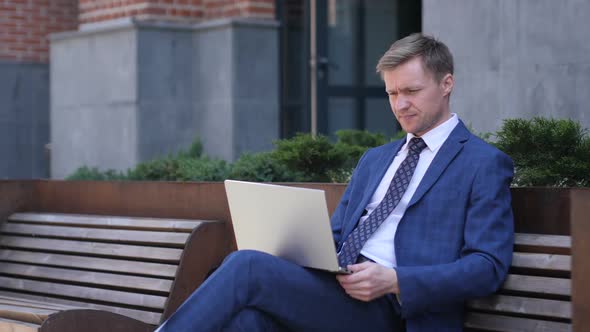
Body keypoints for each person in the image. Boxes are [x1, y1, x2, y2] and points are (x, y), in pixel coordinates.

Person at [155, 33, 514, 332]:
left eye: (411, 91)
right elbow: (338, 235)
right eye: (391, 93)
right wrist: (294, 246)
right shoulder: (376, 160)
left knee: (246, 266)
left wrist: (395, 280)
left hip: (397, 311)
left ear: (446, 83)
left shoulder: (482, 163)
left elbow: (487, 266)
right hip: (337, 291)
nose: (400, 104)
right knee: (250, 322)